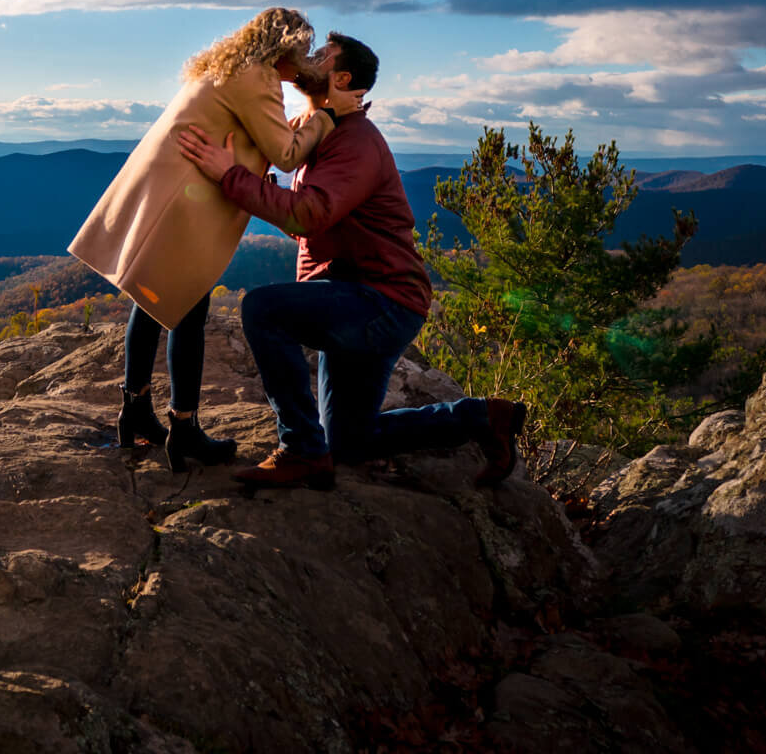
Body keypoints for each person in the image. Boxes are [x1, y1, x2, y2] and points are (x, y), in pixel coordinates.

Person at [175, 32, 525, 491]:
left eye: (320, 56)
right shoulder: (325, 132)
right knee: (348, 440)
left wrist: (230, 176)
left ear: (341, 78)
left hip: (378, 300)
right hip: (359, 296)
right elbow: (308, 223)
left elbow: (306, 214)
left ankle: (299, 448)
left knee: (262, 309)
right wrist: (248, 183)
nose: (308, 59)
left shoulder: (355, 141)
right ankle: (483, 417)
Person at [70, 7, 333, 471]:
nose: (306, 59)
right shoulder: (257, 78)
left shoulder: (226, 67)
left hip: (165, 192)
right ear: (284, 48)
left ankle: (134, 410)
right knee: (188, 306)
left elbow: (260, 134)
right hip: (184, 204)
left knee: (150, 298)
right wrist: (325, 116)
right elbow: (286, 155)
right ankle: (184, 429)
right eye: (302, 51)